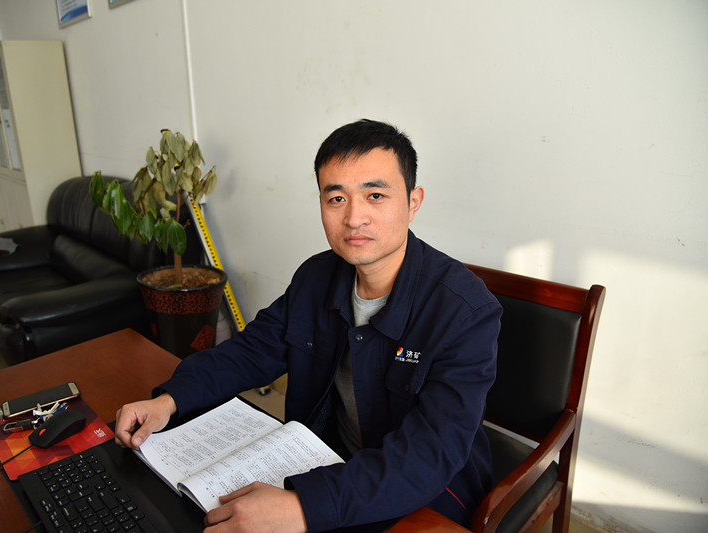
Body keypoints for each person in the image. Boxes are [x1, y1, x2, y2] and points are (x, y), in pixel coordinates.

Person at [115, 119, 502, 533]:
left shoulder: (466, 311)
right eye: (336, 198)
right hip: (326, 460)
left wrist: (301, 508)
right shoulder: (317, 276)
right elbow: (251, 351)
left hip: (425, 497)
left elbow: (428, 455)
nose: (354, 218)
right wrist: (170, 399)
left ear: (413, 201)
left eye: (375, 195)